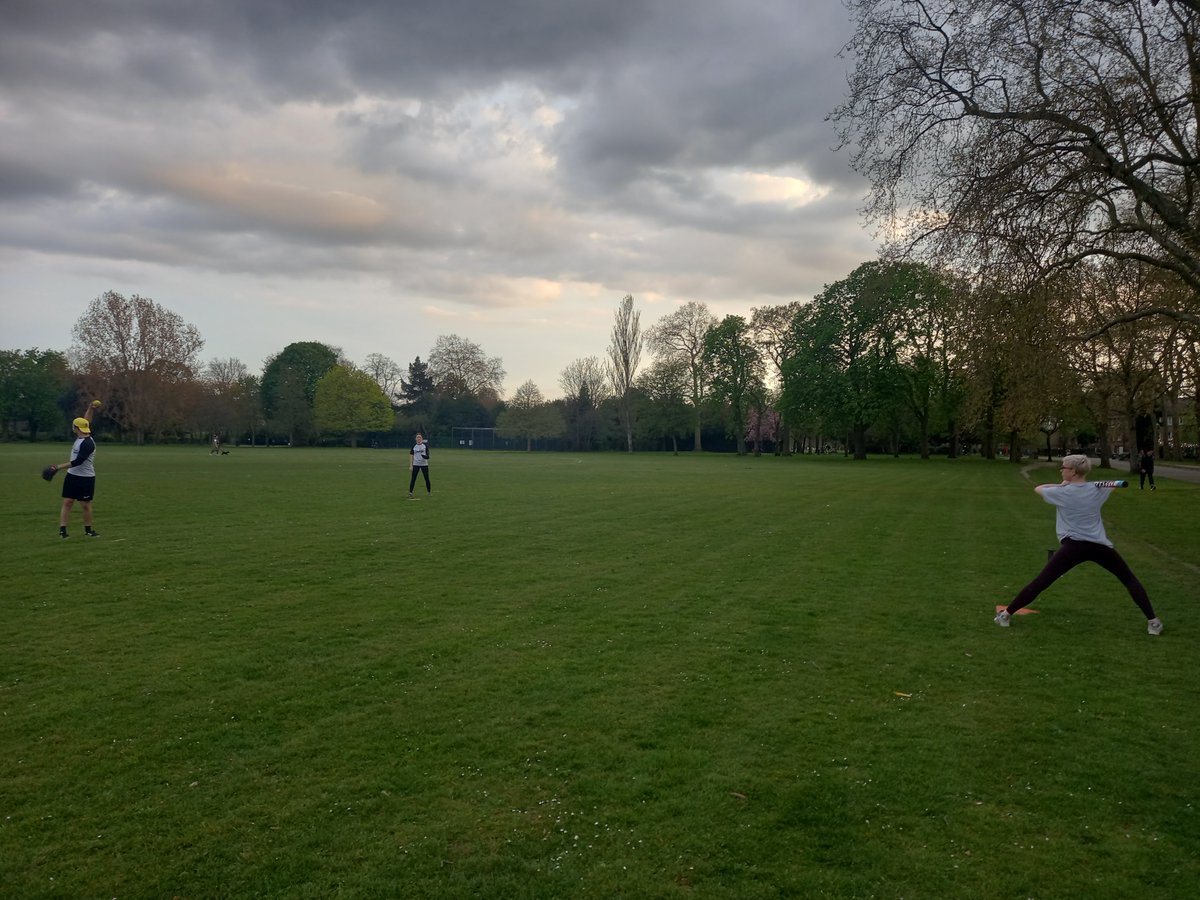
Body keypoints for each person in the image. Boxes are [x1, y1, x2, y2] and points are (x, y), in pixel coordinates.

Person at [995, 454, 1162, 635]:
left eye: (1064, 468)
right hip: (1099, 545)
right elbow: (1111, 487)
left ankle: (1005, 615)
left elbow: (1039, 488)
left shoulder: (1062, 492)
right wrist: (1079, 485)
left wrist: (1061, 486)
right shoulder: (1097, 489)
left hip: (1073, 546)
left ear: (1073, 472)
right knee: (1129, 579)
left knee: (1041, 582)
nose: (1061, 470)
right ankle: (1153, 622)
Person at [54, 404, 100, 539]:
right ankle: (62, 531)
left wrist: (57, 467)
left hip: (86, 478)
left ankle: (88, 530)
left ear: (75, 428)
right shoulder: (80, 436)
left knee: (85, 505)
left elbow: (78, 462)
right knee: (67, 502)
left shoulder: (88, 443)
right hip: (72, 476)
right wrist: (91, 408)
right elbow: (86, 420)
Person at [408, 432, 431, 497]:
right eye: (417, 437)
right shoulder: (414, 447)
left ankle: (429, 492)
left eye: (419, 437)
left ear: (422, 438)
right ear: (415, 439)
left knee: (426, 478)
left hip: (424, 464)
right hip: (416, 464)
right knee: (413, 479)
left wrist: (425, 456)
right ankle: (410, 492)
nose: (418, 438)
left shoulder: (425, 446)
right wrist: (411, 465)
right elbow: (411, 455)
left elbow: (428, 455)